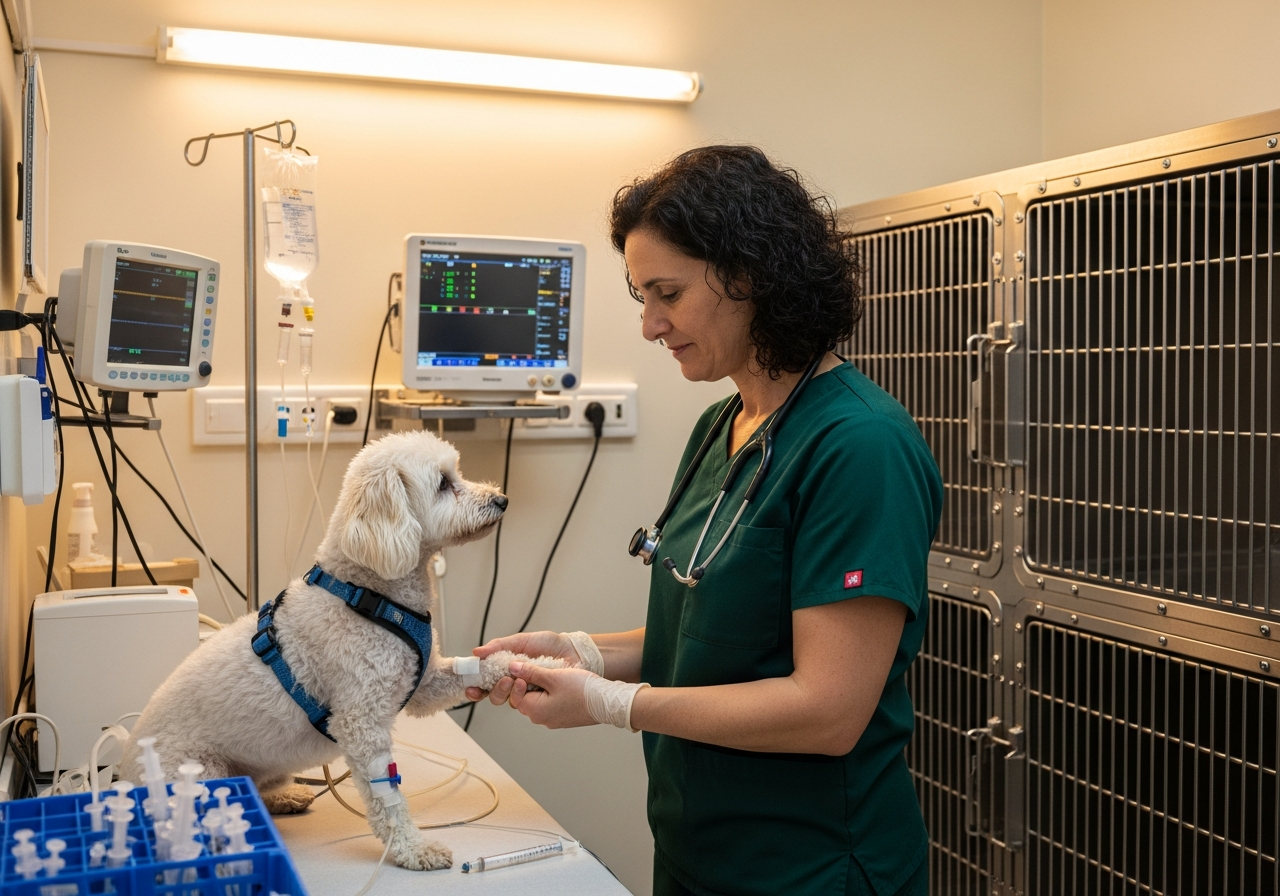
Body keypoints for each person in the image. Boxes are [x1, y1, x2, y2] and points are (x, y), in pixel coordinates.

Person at [466, 145, 942, 896]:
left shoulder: (860, 445)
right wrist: (583, 652)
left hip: (812, 867)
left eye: (668, 293)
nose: (652, 324)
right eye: (641, 296)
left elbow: (828, 710)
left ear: (749, 275)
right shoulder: (724, 424)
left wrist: (611, 706)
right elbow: (713, 636)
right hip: (698, 850)